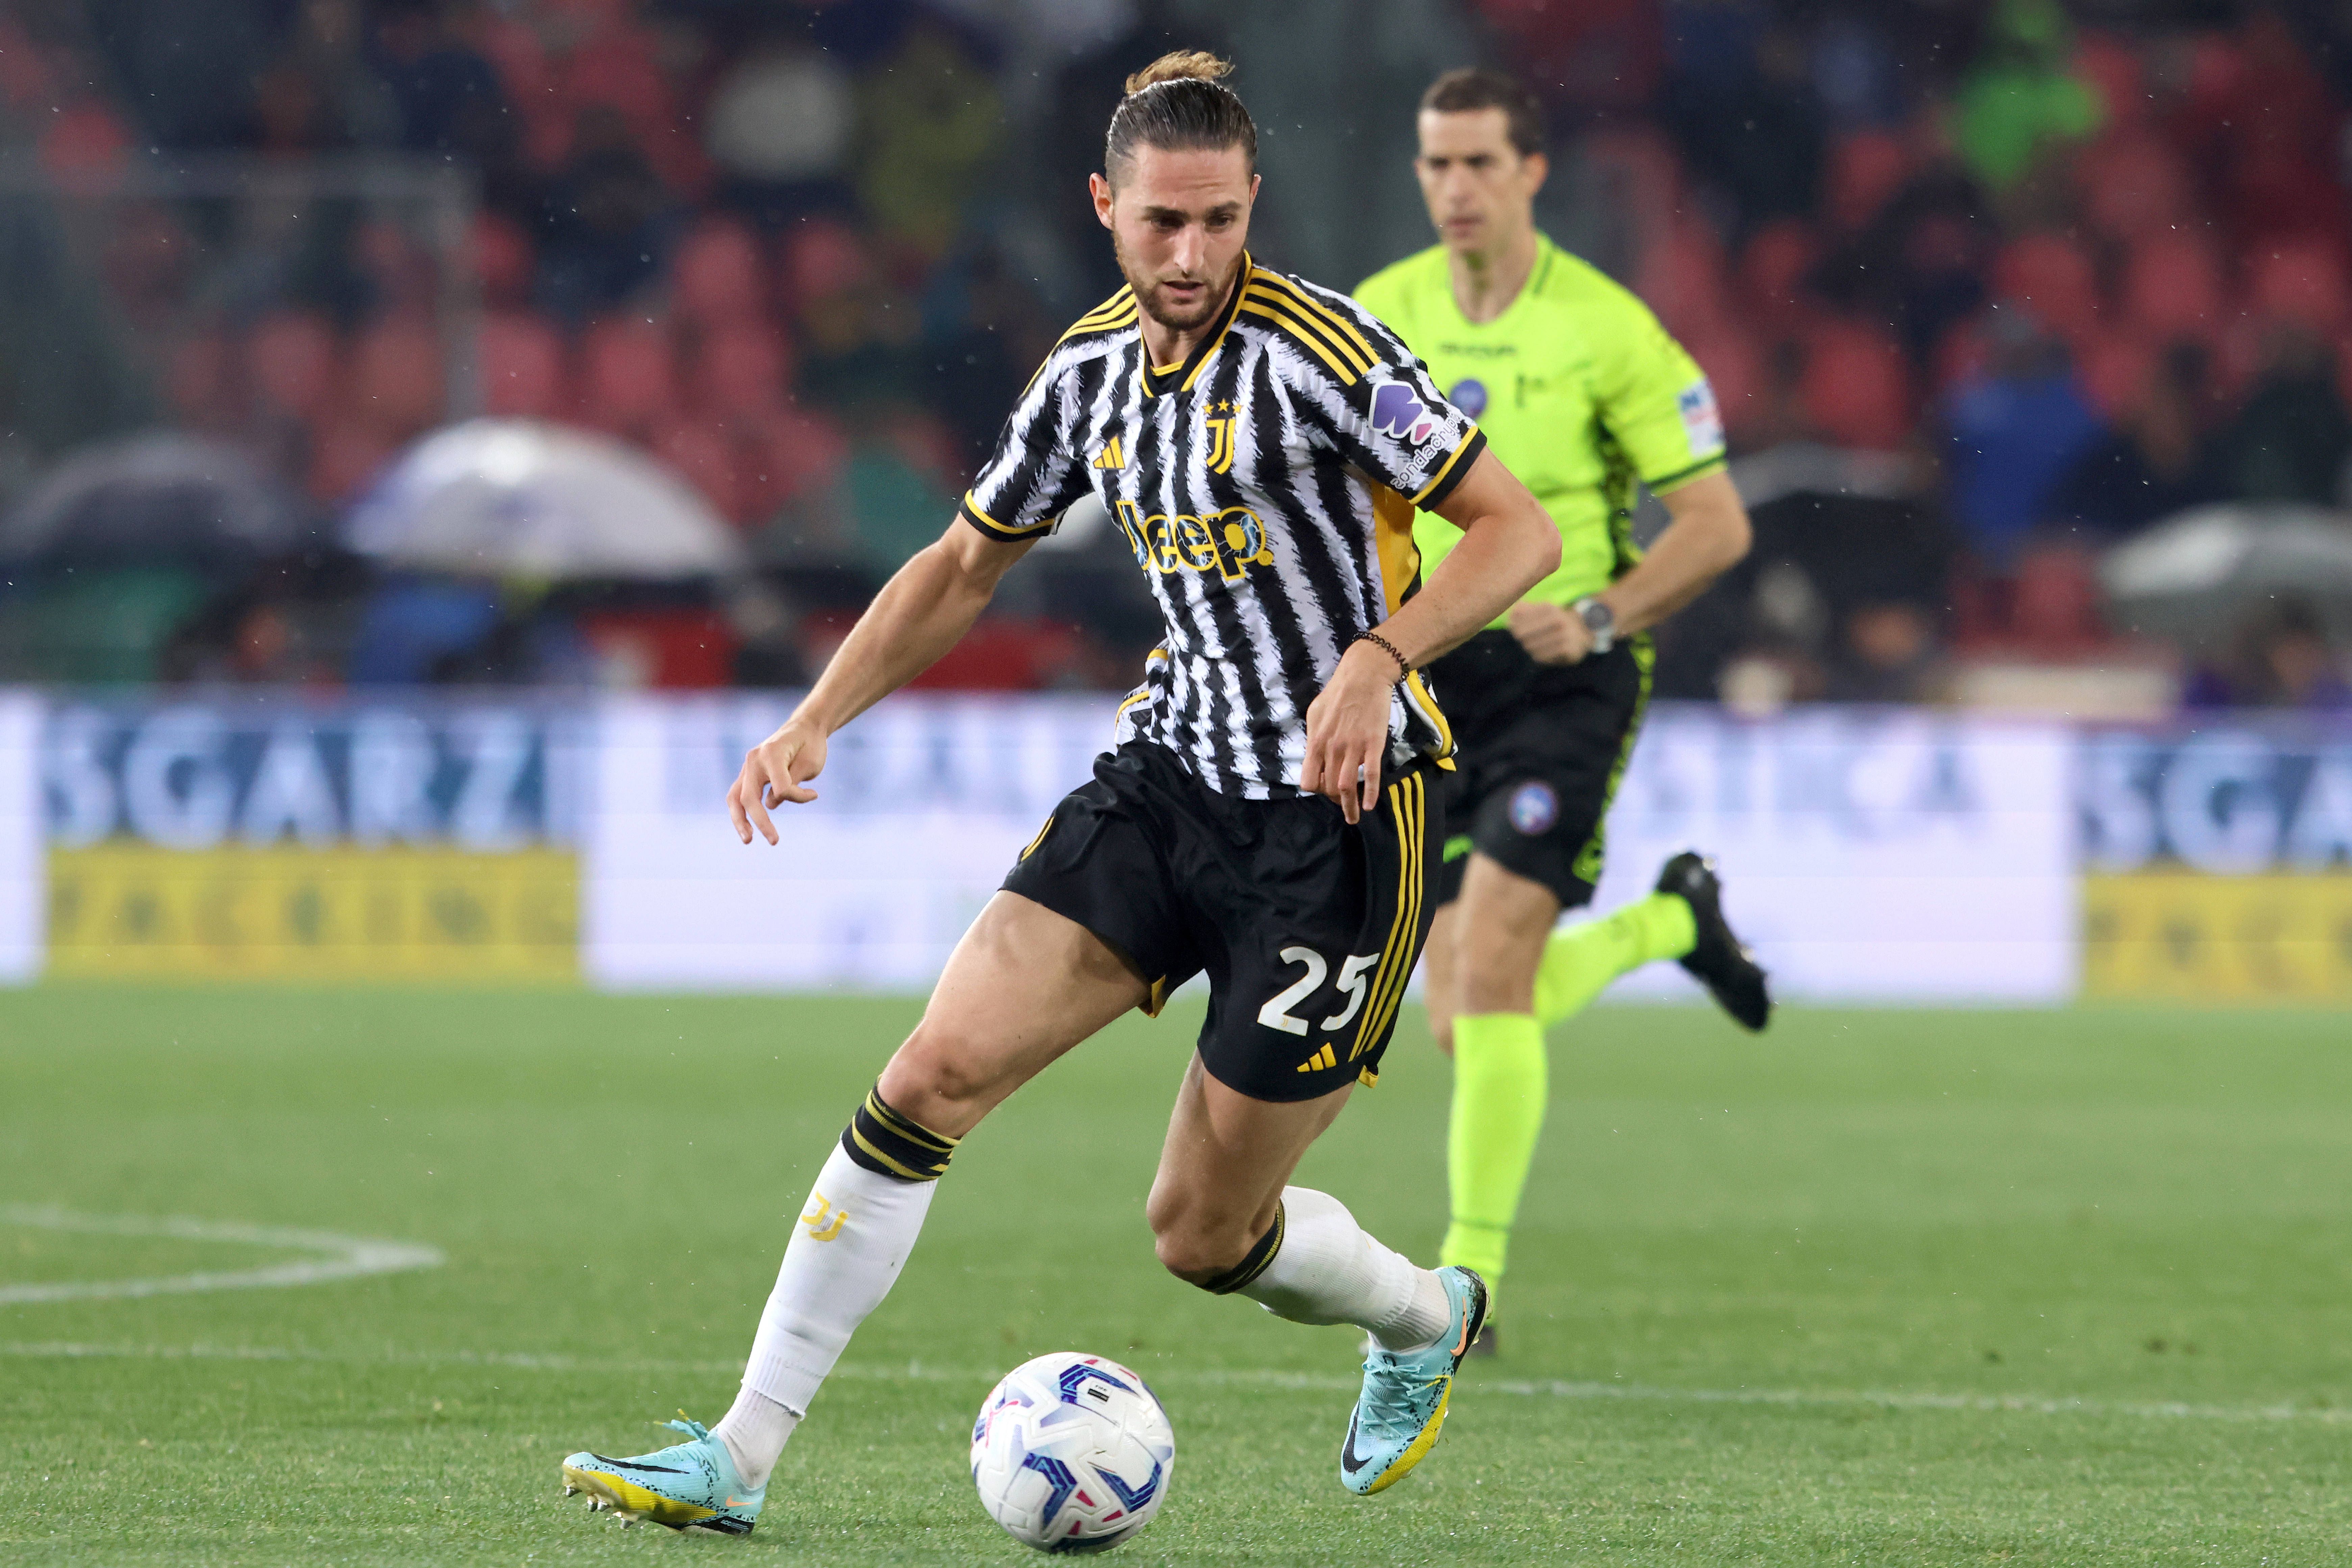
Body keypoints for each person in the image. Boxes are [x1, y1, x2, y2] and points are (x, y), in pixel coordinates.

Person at [558, 52, 1562, 1534]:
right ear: (1105, 207)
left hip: (1341, 826)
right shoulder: (1086, 375)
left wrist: (1379, 654)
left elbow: (1517, 531)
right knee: (927, 1080)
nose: (1192, 255)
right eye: (1162, 221)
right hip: (1165, 786)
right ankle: (738, 1455)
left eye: (1219, 221)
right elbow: (968, 562)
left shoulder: (1326, 355)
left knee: (1202, 1234)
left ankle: (1423, 1316)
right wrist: (817, 715)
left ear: (1253, 205)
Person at [1353, 68, 1768, 1353]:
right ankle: (1670, 922)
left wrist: (1597, 615)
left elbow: (1716, 525)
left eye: (1480, 162)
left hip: (1566, 673)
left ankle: (1465, 1287)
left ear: (1532, 172)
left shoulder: (1608, 329)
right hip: (1436, 673)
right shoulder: (1381, 315)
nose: (1456, 187)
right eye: (1437, 164)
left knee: (1487, 974)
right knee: (1461, 1012)